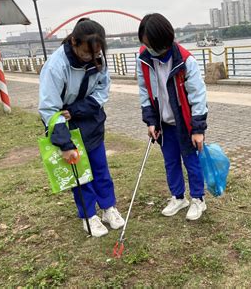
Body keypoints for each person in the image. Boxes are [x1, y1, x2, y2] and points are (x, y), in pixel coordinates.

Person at [38, 18, 125, 237]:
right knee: (80, 172)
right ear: (74, 42)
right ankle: (88, 216)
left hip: (89, 118)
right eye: (86, 53)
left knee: (100, 168)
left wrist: (79, 109)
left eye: (95, 53)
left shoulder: (98, 59)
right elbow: (49, 108)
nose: (90, 58)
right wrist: (64, 144)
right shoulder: (56, 66)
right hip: (64, 122)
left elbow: (103, 90)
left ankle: (108, 208)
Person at [136, 13, 208, 220]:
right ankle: (178, 197)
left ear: (165, 41)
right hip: (163, 122)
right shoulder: (143, 59)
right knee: (170, 161)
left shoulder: (186, 61)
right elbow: (144, 91)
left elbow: (198, 96)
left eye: (152, 46)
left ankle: (198, 199)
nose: (149, 49)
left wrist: (198, 129)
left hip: (184, 122)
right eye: (146, 44)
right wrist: (150, 121)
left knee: (191, 161)